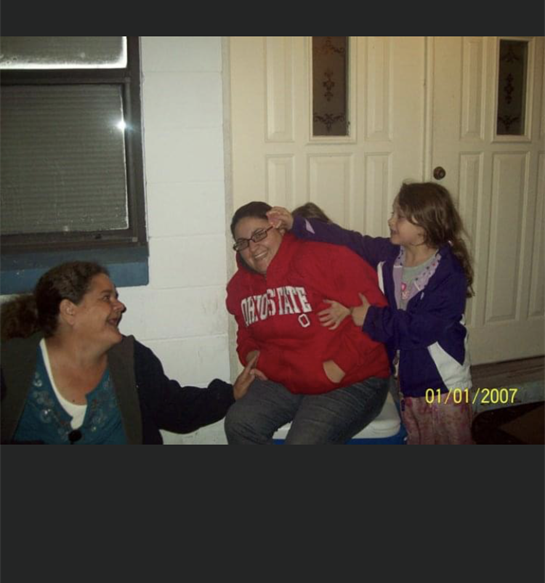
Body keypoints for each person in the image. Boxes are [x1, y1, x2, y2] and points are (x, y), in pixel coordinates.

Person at [269, 182, 474, 445]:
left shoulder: (448, 274)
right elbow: (349, 240)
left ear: (422, 229)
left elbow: (421, 329)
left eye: (399, 216)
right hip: (407, 379)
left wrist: (369, 318)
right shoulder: (391, 256)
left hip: (443, 385)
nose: (390, 220)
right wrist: (296, 223)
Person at [0, 261, 260, 445]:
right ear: (70, 310)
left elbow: (175, 408)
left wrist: (230, 394)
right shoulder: (12, 364)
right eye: (106, 298)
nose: (120, 306)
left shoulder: (132, 358)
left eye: (116, 297)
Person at [225, 201, 390, 445]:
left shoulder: (327, 258)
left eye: (260, 234)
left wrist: (338, 367)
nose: (253, 247)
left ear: (279, 229)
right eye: (243, 243)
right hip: (285, 380)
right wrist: (251, 355)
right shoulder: (239, 286)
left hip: (352, 379)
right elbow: (244, 330)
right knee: (239, 424)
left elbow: (377, 316)